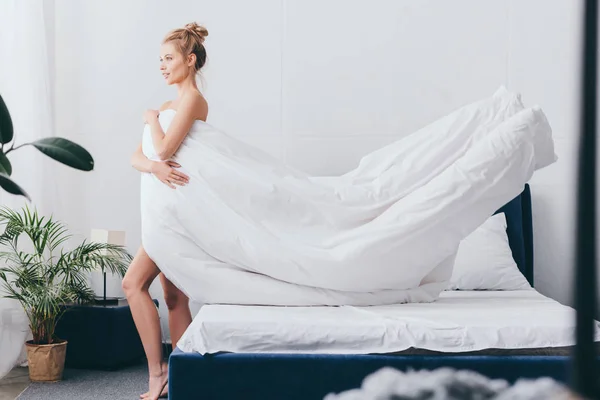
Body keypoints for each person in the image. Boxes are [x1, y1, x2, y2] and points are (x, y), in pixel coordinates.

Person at [123, 21, 209, 400]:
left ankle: (159, 372)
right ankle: (180, 375)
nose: (162, 65)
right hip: (163, 208)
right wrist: (154, 165)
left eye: (169, 58)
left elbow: (163, 151)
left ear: (190, 61)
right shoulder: (169, 105)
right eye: (160, 59)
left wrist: (151, 121)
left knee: (132, 283)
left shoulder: (191, 100)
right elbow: (137, 157)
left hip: (176, 214)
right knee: (174, 298)